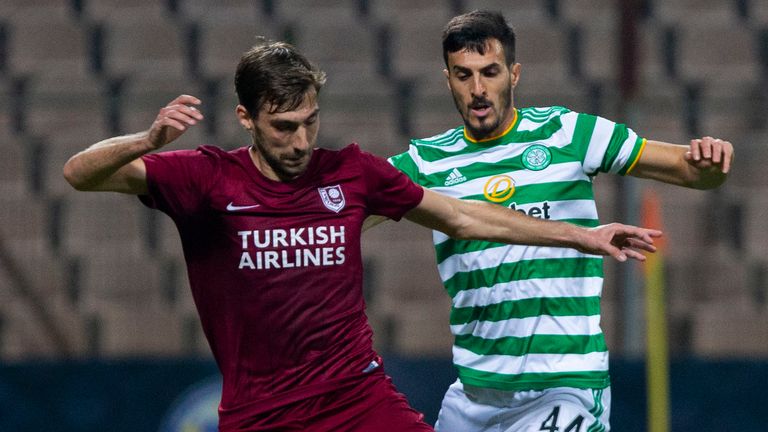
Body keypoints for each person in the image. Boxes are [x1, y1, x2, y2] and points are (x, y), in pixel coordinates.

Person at [63, 40, 660, 432]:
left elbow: (462, 216)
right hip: (261, 415)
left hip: (358, 399)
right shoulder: (205, 178)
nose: (300, 141)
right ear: (246, 117)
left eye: (309, 121)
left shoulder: (350, 171)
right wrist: (146, 139)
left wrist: (580, 237)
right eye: (283, 127)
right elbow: (79, 173)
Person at [384, 10, 734, 432]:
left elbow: (687, 169)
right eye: (463, 75)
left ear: (513, 75)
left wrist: (711, 164)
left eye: (490, 72)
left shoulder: (567, 133)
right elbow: (346, 207)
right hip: (474, 397)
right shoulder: (426, 161)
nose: (478, 89)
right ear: (447, 80)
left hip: (564, 386)